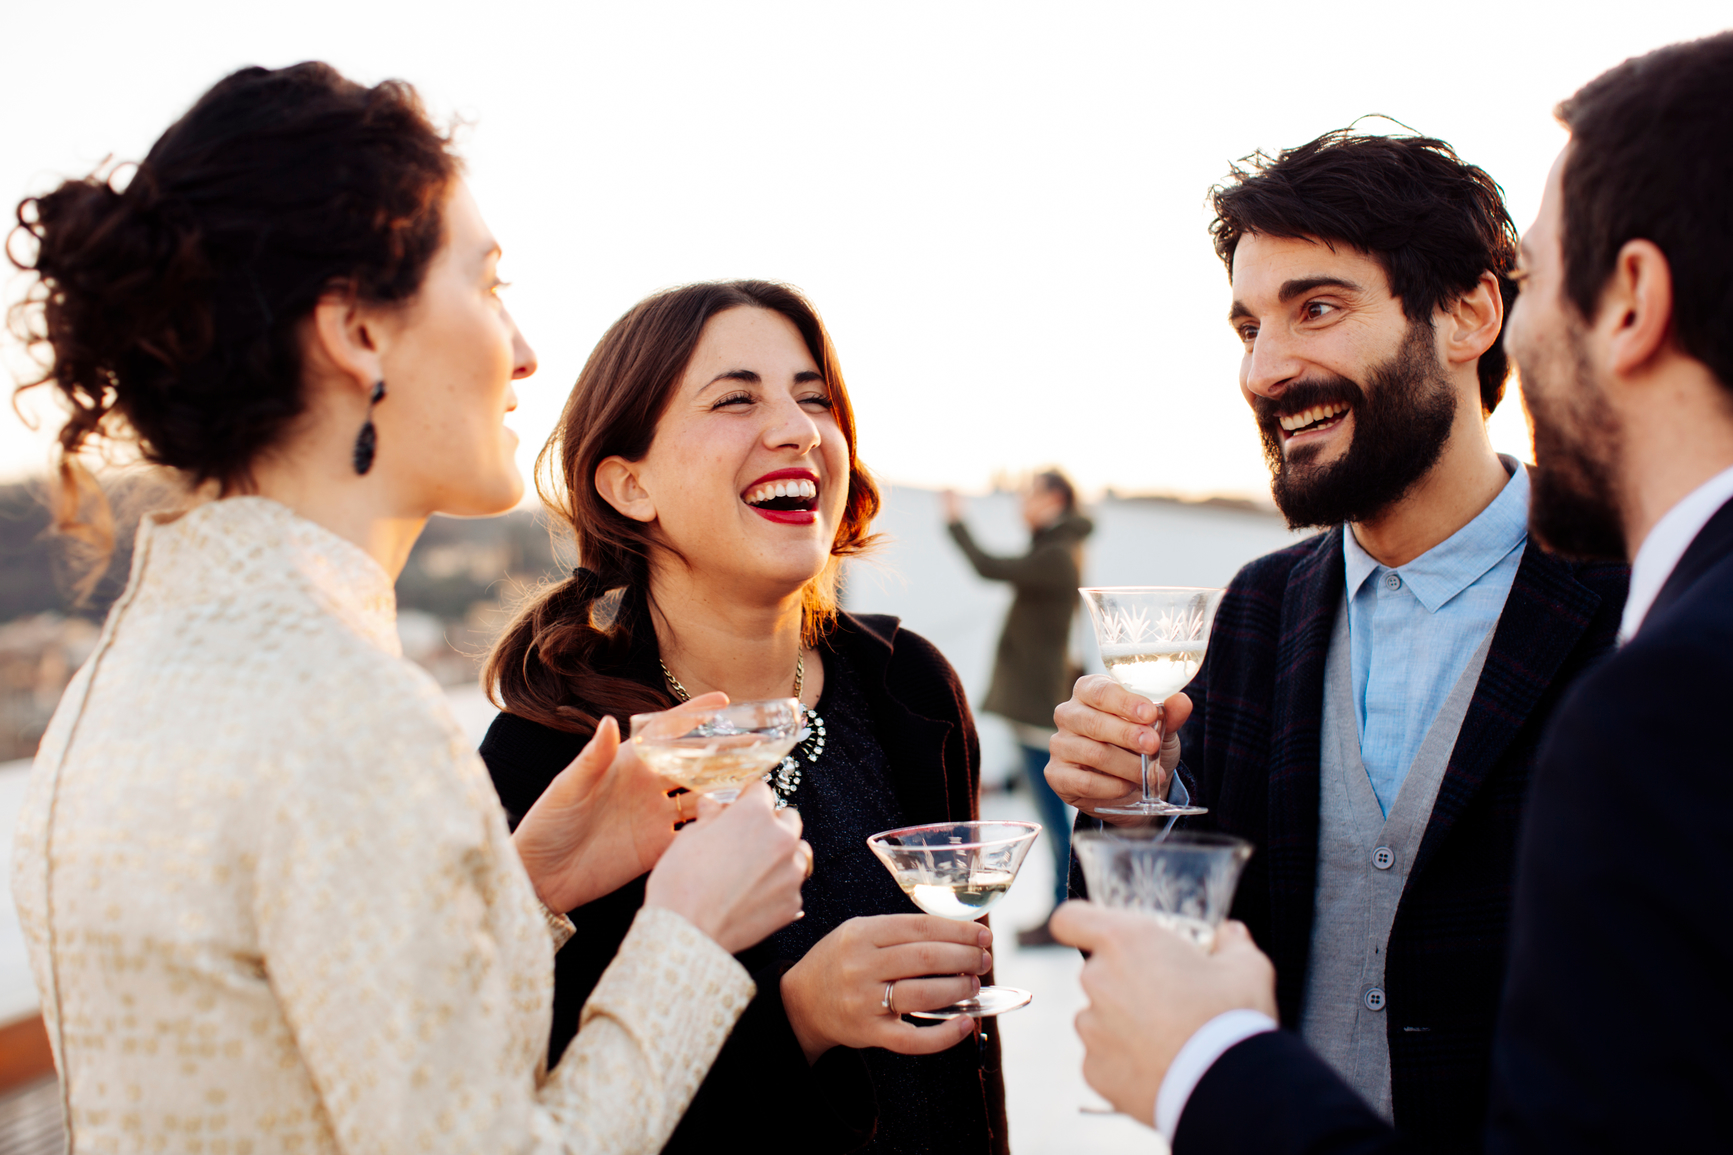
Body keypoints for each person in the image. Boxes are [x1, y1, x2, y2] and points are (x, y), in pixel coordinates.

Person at [6, 63, 812, 1153]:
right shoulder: (346, 714)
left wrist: (529, 883)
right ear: (359, 333)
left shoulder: (133, 671)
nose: (523, 350)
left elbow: (311, 1045)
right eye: (484, 284)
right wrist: (688, 937)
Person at [1052, 30, 1733, 1153]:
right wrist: (1131, 805)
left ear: (1471, 315)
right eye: (1246, 323)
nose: (1261, 369)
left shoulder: (1651, 615)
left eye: (1314, 308)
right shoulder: (1252, 616)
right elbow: (1170, 970)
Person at [479, 281, 1008, 1155]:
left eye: (814, 398)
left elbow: (967, 1042)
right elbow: (530, 1105)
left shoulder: (907, 685)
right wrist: (799, 1016)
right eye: (736, 399)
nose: (798, 428)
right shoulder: (559, 747)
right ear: (628, 484)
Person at [942, 471, 1092, 946]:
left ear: (1053, 499)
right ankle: (1066, 910)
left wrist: (955, 520)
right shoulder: (1054, 547)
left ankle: (1065, 912)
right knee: (1049, 811)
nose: (1020, 503)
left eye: (1029, 494)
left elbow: (988, 565)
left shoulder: (1054, 555)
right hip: (1034, 702)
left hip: (1036, 706)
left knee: (1052, 816)